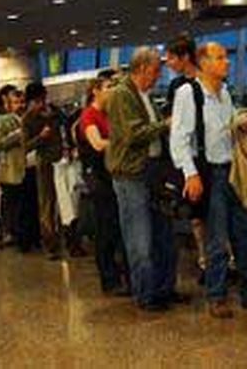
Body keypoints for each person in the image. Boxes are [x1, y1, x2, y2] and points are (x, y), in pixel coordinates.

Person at [171, 42, 247, 318]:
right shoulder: (189, 93)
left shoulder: (224, 93)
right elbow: (179, 138)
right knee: (216, 238)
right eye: (220, 58)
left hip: (234, 171)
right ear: (203, 63)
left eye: (226, 57)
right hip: (210, 172)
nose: (227, 62)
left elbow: (226, 128)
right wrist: (191, 173)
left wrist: (241, 123)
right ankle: (216, 295)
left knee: (246, 232)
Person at [105, 47, 183, 312]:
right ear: (140, 69)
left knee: (163, 236)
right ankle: (145, 294)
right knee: (140, 239)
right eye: (154, 71)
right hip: (131, 175)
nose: (157, 76)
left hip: (153, 173)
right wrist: (166, 124)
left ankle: (164, 288)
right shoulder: (120, 95)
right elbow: (133, 134)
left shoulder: (146, 96)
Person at [164, 32, 212, 281]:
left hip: (207, 158)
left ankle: (217, 260)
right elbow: (178, 132)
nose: (168, 63)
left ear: (184, 57)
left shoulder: (206, 85)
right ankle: (206, 260)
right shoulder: (179, 88)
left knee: (209, 217)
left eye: (171, 58)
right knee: (197, 216)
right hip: (193, 160)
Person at [78, 72, 129, 295]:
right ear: (95, 91)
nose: (111, 91)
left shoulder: (109, 114)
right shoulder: (89, 115)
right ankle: (108, 278)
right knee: (105, 227)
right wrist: (122, 141)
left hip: (112, 175)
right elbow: (97, 144)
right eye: (108, 87)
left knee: (115, 226)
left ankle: (119, 274)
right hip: (99, 177)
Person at [23, 82, 63, 260]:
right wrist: (41, 137)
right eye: (38, 100)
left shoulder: (55, 112)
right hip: (44, 163)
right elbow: (26, 145)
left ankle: (68, 238)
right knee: (47, 203)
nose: (42, 103)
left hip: (61, 160)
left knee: (64, 201)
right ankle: (50, 243)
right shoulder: (28, 119)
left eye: (43, 99)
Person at [0, 88, 33, 252]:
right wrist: (17, 134)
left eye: (22, 101)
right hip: (11, 170)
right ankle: (17, 237)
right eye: (16, 102)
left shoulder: (30, 118)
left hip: (29, 166)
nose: (20, 105)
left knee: (28, 206)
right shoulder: (2, 120)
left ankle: (30, 237)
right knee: (15, 206)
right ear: (8, 104)